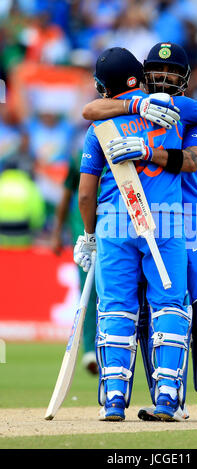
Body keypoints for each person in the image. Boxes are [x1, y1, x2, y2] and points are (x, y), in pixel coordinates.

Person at [82, 42, 197, 420]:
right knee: (151, 311)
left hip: (187, 218)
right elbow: (91, 110)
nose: (165, 79)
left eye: (173, 74)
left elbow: (196, 157)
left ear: (184, 79)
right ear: (142, 74)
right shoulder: (131, 104)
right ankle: (168, 398)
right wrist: (137, 105)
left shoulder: (184, 109)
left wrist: (148, 151)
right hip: (140, 215)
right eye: (158, 72)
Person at [50, 151, 98, 375]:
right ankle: (90, 350)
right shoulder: (79, 157)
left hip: (112, 233)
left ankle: (110, 347)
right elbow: (67, 197)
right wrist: (57, 232)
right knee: (88, 291)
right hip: (85, 237)